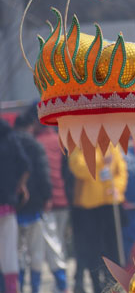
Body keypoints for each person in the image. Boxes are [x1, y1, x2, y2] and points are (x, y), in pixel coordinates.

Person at [15, 104, 69, 293]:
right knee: (55, 246)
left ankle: (32, 287)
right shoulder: (58, 139)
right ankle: (62, 286)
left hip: (41, 205)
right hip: (59, 201)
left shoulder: (34, 143)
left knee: (31, 250)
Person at [69, 145, 127, 293]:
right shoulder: (79, 147)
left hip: (110, 203)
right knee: (93, 249)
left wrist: (118, 188)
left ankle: (114, 282)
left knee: (113, 248)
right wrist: (101, 161)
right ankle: (96, 285)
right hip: (89, 207)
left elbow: (121, 171)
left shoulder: (112, 146)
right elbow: (79, 169)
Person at [13, 115, 52, 293]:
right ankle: (35, 288)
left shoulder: (7, 145)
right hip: (35, 207)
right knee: (36, 251)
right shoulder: (35, 146)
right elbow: (44, 173)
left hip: (14, 208)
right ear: (30, 126)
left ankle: (19, 287)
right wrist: (47, 197)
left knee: (17, 253)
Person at [0, 118, 30, 293]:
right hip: (8, 206)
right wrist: (19, 186)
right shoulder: (10, 137)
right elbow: (25, 166)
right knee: (9, 253)